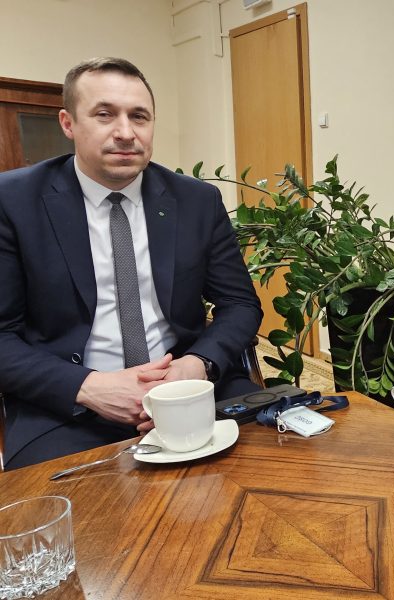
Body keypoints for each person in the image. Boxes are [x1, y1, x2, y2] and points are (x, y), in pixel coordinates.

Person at [0, 57, 263, 469]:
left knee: (271, 467)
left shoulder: (196, 200)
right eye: (104, 114)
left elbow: (240, 305)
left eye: (139, 116)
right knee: (68, 506)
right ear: (68, 123)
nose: (126, 133)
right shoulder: (13, 201)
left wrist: (197, 364)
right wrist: (89, 387)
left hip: (186, 387)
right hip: (67, 404)